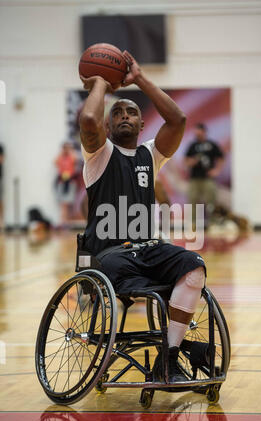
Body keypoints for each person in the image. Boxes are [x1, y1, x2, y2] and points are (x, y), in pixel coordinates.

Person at [79, 50, 207, 383]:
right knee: (143, 281)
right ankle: (172, 350)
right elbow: (90, 121)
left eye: (131, 112)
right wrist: (98, 84)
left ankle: (169, 357)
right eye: (117, 112)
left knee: (193, 266)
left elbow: (177, 120)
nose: (124, 115)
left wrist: (139, 79)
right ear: (109, 124)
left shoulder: (149, 154)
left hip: (147, 247)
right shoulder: (99, 153)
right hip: (108, 254)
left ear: (140, 123)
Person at [185, 123, 224, 228]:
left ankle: (213, 223)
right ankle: (192, 224)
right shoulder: (192, 146)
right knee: (193, 201)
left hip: (208, 178)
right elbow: (186, 161)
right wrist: (193, 161)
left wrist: (217, 170)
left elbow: (220, 158)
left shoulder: (212, 145)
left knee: (211, 201)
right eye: (195, 132)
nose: (197, 134)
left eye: (199, 132)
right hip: (194, 178)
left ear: (204, 132)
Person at [54, 142, 78, 227]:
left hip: (70, 182)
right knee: (63, 204)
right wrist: (62, 152)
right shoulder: (61, 158)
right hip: (62, 182)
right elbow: (55, 162)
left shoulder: (71, 157)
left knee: (68, 203)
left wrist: (70, 150)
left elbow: (75, 159)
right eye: (64, 148)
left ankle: (66, 222)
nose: (66, 150)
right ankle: (63, 222)